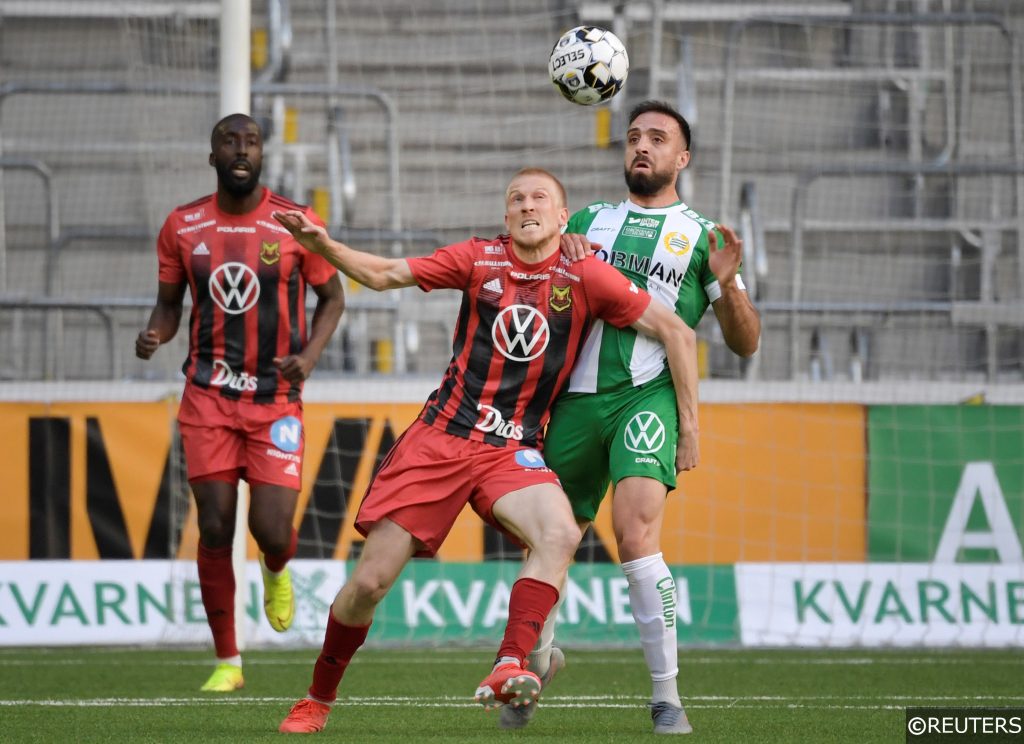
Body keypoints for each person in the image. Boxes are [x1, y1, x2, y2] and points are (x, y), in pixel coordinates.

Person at [269, 167, 700, 734]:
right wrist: (323, 245)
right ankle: (318, 697)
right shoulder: (478, 258)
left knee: (562, 532)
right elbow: (385, 274)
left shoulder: (587, 272)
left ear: (562, 216)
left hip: (511, 450)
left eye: (539, 198)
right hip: (441, 440)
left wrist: (688, 426)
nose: (527, 206)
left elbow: (676, 330)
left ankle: (509, 664)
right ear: (505, 217)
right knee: (368, 585)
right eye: (516, 199)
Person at [507, 101, 761, 735]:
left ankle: (667, 697)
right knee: (547, 540)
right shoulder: (588, 219)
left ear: (683, 158)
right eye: (633, 137)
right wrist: (553, 246)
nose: (641, 147)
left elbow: (746, 343)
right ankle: (534, 664)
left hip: (645, 398)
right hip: (574, 400)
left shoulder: (704, 236)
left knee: (637, 534)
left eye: (658, 138)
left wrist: (728, 286)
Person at [135, 113, 345, 693]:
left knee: (272, 529)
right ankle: (229, 660)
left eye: (250, 141)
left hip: (276, 399)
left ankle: (276, 570)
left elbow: (333, 296)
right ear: (213, 156)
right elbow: (169, 306)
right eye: (230, 141)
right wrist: (155, 333)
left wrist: (309, 356)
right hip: (207, 396)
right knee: (216, 524)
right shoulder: (183, 225)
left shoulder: (295, 224)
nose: (241, 149)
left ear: (262, 154)